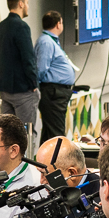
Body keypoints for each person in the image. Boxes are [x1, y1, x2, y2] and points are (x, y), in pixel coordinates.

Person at [0, 0, 40, 145]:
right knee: (26, 133)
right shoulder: (21, 27)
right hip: (22, 89)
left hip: (5, 89)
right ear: (20, 4)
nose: (27, 6)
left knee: (8, 135)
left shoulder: (1, 26)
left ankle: (10, 169)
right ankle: (28, 168)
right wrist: (33, 84)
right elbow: (28, 58)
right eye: (26, 3)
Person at [36, 11, 76, 142]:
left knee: (49, 134)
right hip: (53, 93)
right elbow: (41, 69)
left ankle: (45, 162)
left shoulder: (50, 41)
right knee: (56, 134)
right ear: (58, 24)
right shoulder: (46, 42)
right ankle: (58, 162)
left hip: (56, 92)